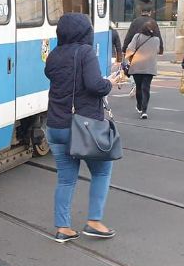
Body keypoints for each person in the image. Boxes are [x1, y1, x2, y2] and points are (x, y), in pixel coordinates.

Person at [45, 13, 115, 243]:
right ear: (85, 32)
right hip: (82, 127)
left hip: (55, 126)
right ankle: (94, 222)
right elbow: (95, 85)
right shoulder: (85, 52)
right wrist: (110, 83)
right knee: (102, 170)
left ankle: (63, 227)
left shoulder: (53, 55)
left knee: (65, 178)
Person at [126, 20, 160, 119]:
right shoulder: (156, 40)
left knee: (139, 87)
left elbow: (130, 48)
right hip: (150, 67)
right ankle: (144, 111)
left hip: (137, 66)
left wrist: (127, 58)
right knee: (146, 88)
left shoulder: (137, 36)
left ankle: (139, 106)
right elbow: (157, 51)